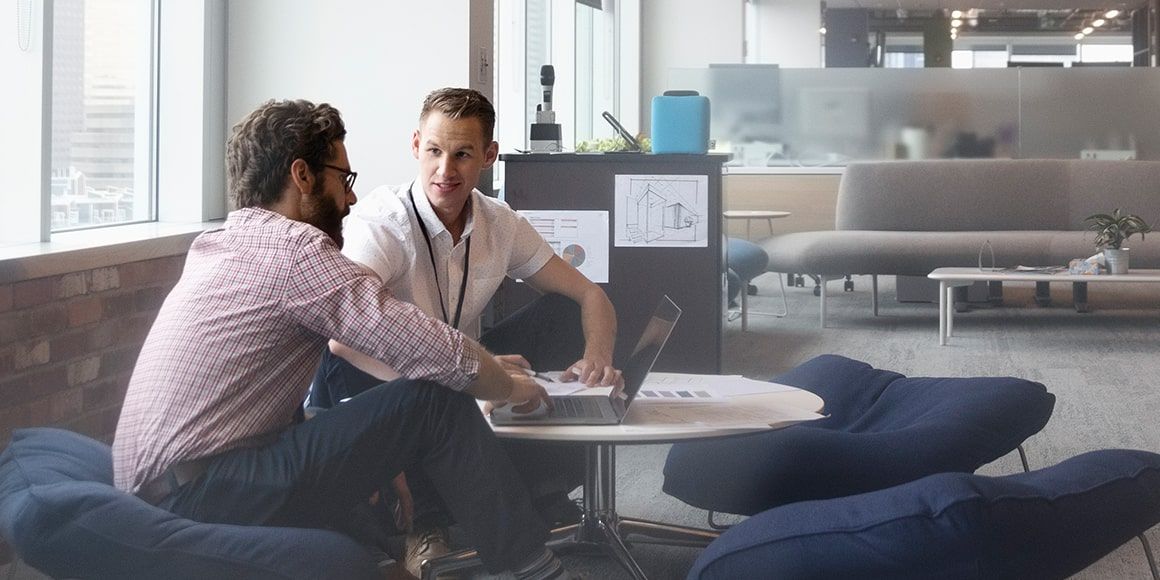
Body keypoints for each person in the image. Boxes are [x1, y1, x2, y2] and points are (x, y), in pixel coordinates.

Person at [112, 99, 574, 580]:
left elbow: (245, 405)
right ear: (303, 176)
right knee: (436, 397)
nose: (351, 199)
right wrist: (509, 385)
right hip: (200, 493)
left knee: (384, 452)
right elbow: (426, 347)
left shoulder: (221, 244)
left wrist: (376, 448)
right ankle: (532, 569)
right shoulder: (296, 251)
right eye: (344, 179)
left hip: (165, 487)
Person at [310, 87, 621, 573]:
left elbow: (589, 296)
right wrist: (473, 372)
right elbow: (343, 336)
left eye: (462, 154)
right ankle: (424, 527)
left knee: (560, 310)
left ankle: (541, 489)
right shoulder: (383, 223)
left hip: (457, 360)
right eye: (434, 151)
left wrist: (597, 356)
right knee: (425, 388)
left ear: (488, 156)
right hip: (371, 370)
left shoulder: (500, 223)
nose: (445, 171)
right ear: (416, 145)